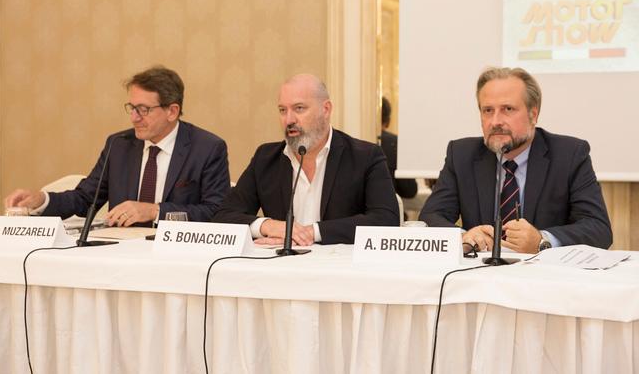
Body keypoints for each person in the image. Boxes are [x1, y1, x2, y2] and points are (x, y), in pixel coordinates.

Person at [4, 66, 230, 226]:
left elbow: (217, 211)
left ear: (172, 111)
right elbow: (85, 199)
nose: (134, 117)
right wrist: (41, 200)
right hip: (120, 251)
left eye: (143, 110)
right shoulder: (119, 144)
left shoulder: (207, 148)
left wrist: (155, 211)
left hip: (175, 254)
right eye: (131, 108)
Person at [419, 67, 612, 253]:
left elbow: (598, 228)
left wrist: (542, 240)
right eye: (488, 110)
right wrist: (463, 236)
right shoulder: (462, 155)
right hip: (480, 272)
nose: (495, 121)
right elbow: (430, 217)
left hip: (544, 272)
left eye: (508, 109)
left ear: (533, 115)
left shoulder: (569, 155)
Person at [213, 73, 400, 245]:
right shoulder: (266, 159)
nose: (289, 120)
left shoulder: (365, 156)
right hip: (279, 265)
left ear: (326, 109)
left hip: (339, 267)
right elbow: (224, 216)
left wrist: (313, 232)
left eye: (299, 108)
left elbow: (386, 219)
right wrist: (269, 226)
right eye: (282, 110)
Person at [380, 96, 418, 199]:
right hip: (389, 206)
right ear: (388, 120)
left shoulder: (351, 142)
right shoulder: (396, 144)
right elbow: (409, 190)